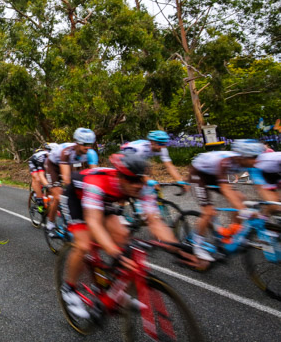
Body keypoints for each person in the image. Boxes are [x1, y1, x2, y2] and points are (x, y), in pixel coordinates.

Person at [60, 152, 194, 319]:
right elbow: (93, 222)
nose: (137, 185)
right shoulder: (97, 183)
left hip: (103, 201)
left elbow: (155, 221)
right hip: (75, 197)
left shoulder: (144, 187)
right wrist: (115, 253)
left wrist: (177, 248)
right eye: (131, 180)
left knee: (123, 236)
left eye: (140, 179)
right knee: (84, 244)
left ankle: (111, 287)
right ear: (120, 177)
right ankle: (69, 289)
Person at [187, 139, 266, 261]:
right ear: (242, 157)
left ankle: (232, 232)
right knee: (209, 211)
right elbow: (225, 189)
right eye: (254, 157)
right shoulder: (226, 162)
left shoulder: (245, 162)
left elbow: (258, 183)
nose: (257, 160)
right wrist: (244, 211)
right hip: (198, 174)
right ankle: (196, 245)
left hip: (214, 173)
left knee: (241, 198)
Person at [44, 128, 97, 234]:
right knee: (59, 195)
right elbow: (67, 179)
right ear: (77, 143)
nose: (88, 147)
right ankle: (50, 222)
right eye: (85, 144)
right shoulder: (67, 152)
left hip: (71, 164)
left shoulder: (91, 153)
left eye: (90, 144)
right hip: (53, 166)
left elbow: (94, 175)